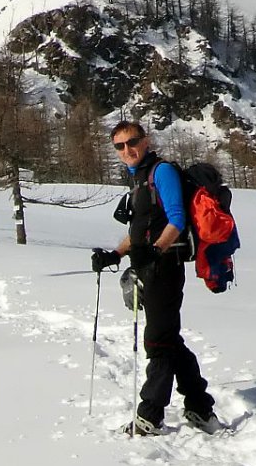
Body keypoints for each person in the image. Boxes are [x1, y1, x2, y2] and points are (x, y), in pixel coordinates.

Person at [89, 121, 222, 435]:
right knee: (169, 339)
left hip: (166, 267)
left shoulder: (161, 172)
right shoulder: (138, 180)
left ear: (145, 140)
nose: (126, 150)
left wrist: (156, 251)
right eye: (119, 146)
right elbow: (140, 231)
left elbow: (176, 219)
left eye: (131, 142)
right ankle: (200, 408)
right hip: (150, 268)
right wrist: (115, 254)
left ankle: (150, 416)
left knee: (158, 342)